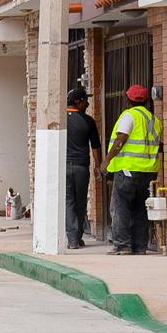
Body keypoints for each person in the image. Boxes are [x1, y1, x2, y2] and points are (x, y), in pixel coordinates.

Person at [101, 84, 163, 255]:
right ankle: (140, 246)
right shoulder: (154, 120)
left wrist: (106, 161)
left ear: (127, 99)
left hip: (128, 170)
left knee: (120, 207)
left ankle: (122, 245)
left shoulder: (129, 116)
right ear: (146, 101)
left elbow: (121, 139)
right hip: (148, 172)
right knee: (140, 210)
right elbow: (158, 146)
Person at [65, 87, 102, 249]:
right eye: (85, 100)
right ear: (78, 102)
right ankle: (76, 236)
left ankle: (73, 238)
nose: (87, 103)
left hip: (64, 167)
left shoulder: (60, 119)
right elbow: (95, 146)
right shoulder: (88, 121)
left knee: (68, 202)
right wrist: (98, 166)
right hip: (81, 167)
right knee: (79, 203)